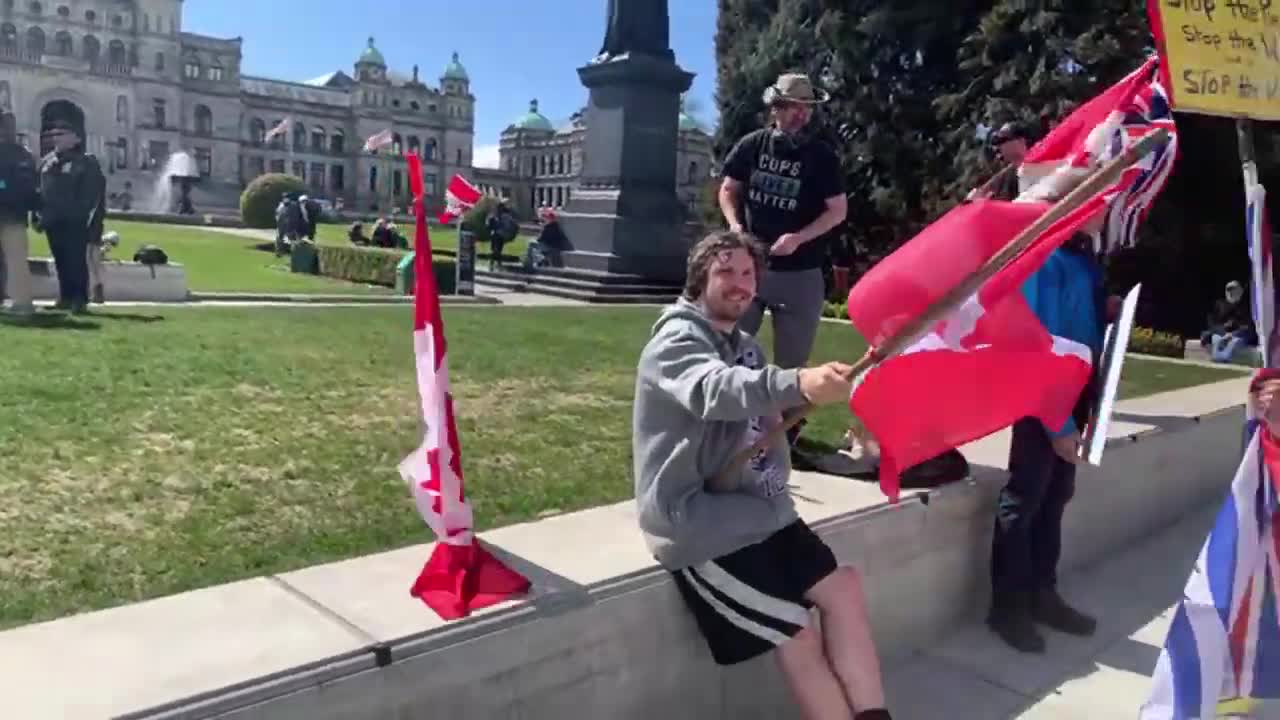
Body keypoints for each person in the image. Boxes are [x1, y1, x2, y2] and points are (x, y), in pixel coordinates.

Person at [632, 230, 892, 720]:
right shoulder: (674, 343)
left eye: (748, 273)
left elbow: (763, 422)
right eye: (725, 271)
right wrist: (797, 381)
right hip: (695, 522)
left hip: (757, 511)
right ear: (698, 280)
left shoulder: (746, 346)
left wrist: (803, 396)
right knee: (797, 634)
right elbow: (715, 390)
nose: (739, 283)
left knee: (845, 588)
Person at [987, 215, 1115, 654]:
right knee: (1024, 499)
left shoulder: (1082, 257)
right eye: (1101, 202)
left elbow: (1081, 328)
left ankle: (1042, 593)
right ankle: (1006, 607)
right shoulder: (1041, 258)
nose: (1107, 211)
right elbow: (1030, 344)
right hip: (1043, 394)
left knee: (1056, 496)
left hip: (1076, 391)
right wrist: (1057, 421)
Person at [719, 72, 847, 445]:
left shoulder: (821, 156)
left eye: (806, 108)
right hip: (752, 269)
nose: (801, 115)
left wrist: (800, 237)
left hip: (801, 273)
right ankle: (729, 427)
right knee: (731, 348)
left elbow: (837, 211)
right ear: (776, 108)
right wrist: (735, 226)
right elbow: (728, 188)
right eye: (793, 107)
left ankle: (786, 438)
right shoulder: (752, 146)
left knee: (793, 365)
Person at [37, 119, 105, 314]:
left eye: (61, 134)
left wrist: (81, 214)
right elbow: (39, 188)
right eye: (53, 134)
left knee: (76, 260)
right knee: (60, 260)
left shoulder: (86, 162)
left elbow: (92, 193)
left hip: (74, 220)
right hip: (52, 219)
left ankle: (79, 298)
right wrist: (39, 214)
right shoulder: (47, 162)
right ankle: (65, 297)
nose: (55, 138)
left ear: (75, 138)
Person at [0, 111, 39, 317]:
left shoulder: (17, 155)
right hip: (15, 215)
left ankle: (22, 303)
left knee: (15, 261)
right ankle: (21, 301)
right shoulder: (24, 154)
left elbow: (18, 184)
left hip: (11, 214)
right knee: (16, 261)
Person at [967, 121, 1031, 202]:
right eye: (995, 144)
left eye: (1001, 141)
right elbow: (980, 193)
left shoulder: (1041, 158)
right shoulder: (1005, 177)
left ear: (1020, 140)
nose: (997, 147)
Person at [1202, 280, 1255, 363]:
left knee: (1235, 340)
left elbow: (1249, 327)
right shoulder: (1219, 305)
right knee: (1216, 338)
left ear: (1241, 291)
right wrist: (1224, 332)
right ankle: (1217, 358)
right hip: (1221, 334)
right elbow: (1212, 324)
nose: (1231, 293)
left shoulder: (1247, 306)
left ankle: (1224, 358)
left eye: (1234, 290)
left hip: (1238, 335)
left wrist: (1233, 333)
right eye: (1229, 290)